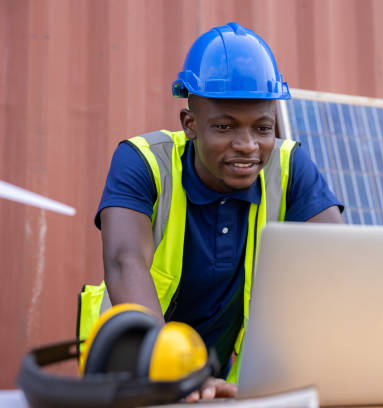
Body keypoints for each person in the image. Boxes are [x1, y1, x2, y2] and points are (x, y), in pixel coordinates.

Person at [79, 22, 343, 400]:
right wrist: (180, 373)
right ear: (190, 124)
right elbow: (125, 263)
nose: (248, 145)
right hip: (133, 378)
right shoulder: (143, 162)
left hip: (222, 390)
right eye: (224, 126)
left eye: (263, 128)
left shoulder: (289, 166)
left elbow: (342, 267)